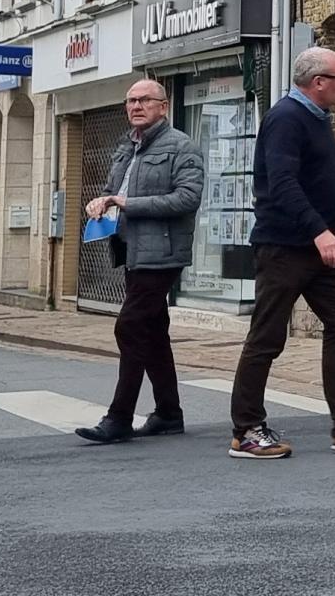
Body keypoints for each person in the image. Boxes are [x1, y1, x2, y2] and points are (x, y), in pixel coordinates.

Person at [228, 47, 335, 457]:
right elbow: (283, 184)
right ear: (318, 81)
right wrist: (319, 232)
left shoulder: (317, 118)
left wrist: (326, 233)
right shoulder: (286, 118)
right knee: (267, 336)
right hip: (286, 246)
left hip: (320, 247)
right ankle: (247, 429)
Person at [74, 79, 205, 445]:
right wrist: (101, 202)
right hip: (131, 250)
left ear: (163, 106)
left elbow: (187, 198)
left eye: (144, 100)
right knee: (152, 331)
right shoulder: (126, 147)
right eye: (131, 100)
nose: (136, 106)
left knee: (129, 327)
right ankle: (168, 413)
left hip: (162, 253)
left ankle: (119, 418)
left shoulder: (182, 146)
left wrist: (126, 203)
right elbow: (113, 192)